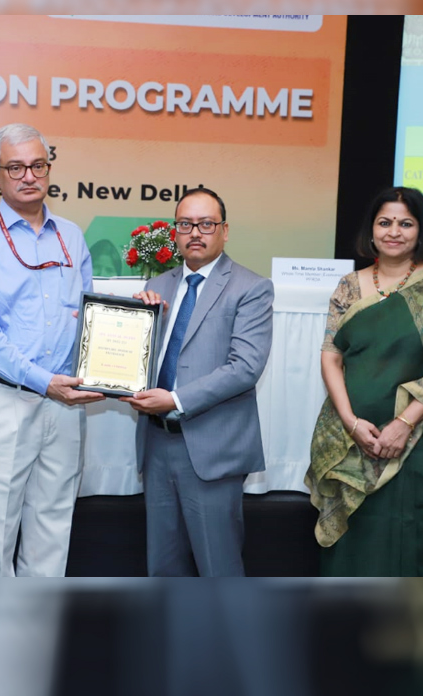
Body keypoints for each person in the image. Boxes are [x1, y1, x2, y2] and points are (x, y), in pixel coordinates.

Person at [0, 123, 104, 577]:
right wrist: (45, 383)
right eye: (16, 167)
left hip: (65, 400)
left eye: (38, 165)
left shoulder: (71, 236)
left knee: (53, 520)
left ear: (49, 169)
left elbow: (88, 315)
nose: (29, 176)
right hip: (7, 398)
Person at [305, 186, 423, 576]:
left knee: (417, 537)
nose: (394, 231)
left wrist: (403, 423)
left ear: (421, 230)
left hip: (422, 438)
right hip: (355, 436)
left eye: (405, 223)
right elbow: (331, 355)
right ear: (372, 229)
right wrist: (351, 422)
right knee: (358, 541)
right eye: (385, 222)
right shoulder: (349, 285)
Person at [121, 187, 274, 576]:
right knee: (163, 565)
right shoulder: (159, 286)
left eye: (206, 224)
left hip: (212, 445)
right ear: (175, 231)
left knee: (217, 567)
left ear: (225, 230)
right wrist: (124, 327)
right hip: (157, 442)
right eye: (186, 224)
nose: (195, 233)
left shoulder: (251, 287)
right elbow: (142, 359)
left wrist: (175, 400)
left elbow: (245, 367)